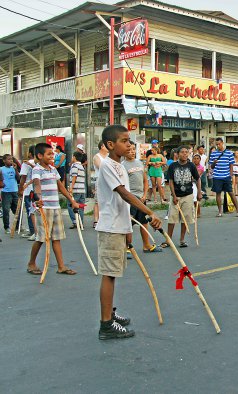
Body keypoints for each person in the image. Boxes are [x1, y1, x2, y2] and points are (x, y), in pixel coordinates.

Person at [96, 125, 161, 340]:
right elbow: (123, 194)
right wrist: (149, 212)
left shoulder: (121, 166)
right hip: (110, 227)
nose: (129, 144)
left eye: (129, 141)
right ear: (110, 144)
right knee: (109, 274)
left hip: (119, 226)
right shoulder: (107, 165)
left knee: (114, 274)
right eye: (124, 141)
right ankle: (105, 324)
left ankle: (110, 313)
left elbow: (125, 199)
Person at [26, 143, 80, 276]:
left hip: (55, 207)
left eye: (53, 154)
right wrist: (38, 198)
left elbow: (61, 187)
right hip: (43, 208)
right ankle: (31, 263)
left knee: (56, 238)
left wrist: (72, 201)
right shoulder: (37, 170)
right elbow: (37, 184)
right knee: (41, 238)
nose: (52, 156)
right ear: (40, 155)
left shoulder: (53, 169)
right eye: (49, 154)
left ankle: (61, 266)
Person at [123, 142, 162, 254]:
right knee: (129, 223)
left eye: (133, 149)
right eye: (129, 150)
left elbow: (145, 180)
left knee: (144, 221)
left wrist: (144, 195)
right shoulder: (123, 165)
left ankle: (146, 245)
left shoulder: (139, 163)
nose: (132, 152)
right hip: (131, 198)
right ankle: (128, 248)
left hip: (141, 198)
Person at [165, 146, 201, 248]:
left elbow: (197, 179)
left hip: (188, 195)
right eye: (182, 152)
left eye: (186, 152)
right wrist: (174, 195)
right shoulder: (172, 166)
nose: (185, 154)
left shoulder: (191, 165)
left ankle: (182, 240)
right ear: (177, 154)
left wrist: (199, 193)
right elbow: (171, 181)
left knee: (185, 218)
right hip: (176, 195)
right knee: (172, 218)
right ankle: (169, 240)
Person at [209, 137, 238, 217]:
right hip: (217, 176)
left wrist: (230, 175)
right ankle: (220, 211)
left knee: (231, 192)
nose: (218, 146)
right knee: (218, 193)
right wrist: (214, 163)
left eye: (219, 144)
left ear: (222, 143)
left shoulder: (229, 153)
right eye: (216, 145)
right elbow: (211, 167)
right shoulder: (213, 153)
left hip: (226, 176)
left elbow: (231, 165)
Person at [18, 146, 37, 240]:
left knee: (30, 210)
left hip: (28, 189)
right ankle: (37, 230)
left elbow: (23, 177)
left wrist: (20, 189)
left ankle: (33, 231)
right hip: (36, 188)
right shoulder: (38, 163)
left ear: (30, 153)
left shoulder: (26, 164)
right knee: (35, 209)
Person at [67, 152, 86, 229]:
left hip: (76, 190)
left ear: (74, 157)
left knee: (70, 205)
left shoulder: (74, 166)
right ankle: (80, 222)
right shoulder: (81, 166)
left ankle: (75, 221)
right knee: (80, 206)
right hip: (82, 190)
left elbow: (74, 177)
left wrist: (71, 188)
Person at [92, 141, 109, 228]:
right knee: (97, 201)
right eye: (107, 146)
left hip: (109, 181)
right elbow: (100, 167)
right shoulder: (97, 156)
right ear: (102, 146)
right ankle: (96, 220)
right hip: (100, 180)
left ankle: (105, 220)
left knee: (107, 201)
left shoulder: (109, 157)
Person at [1, 154, 20, 234]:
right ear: (4, 160)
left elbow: (18, 179)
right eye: (9, 159)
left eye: (11, 159)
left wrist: (16, 170)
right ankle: (6, 227)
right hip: (6, 192)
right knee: (6, 210)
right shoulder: (1, 169)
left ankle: (18, 226)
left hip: (14, 191)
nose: (11, 161)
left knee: (16, 210)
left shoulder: (13, 168)